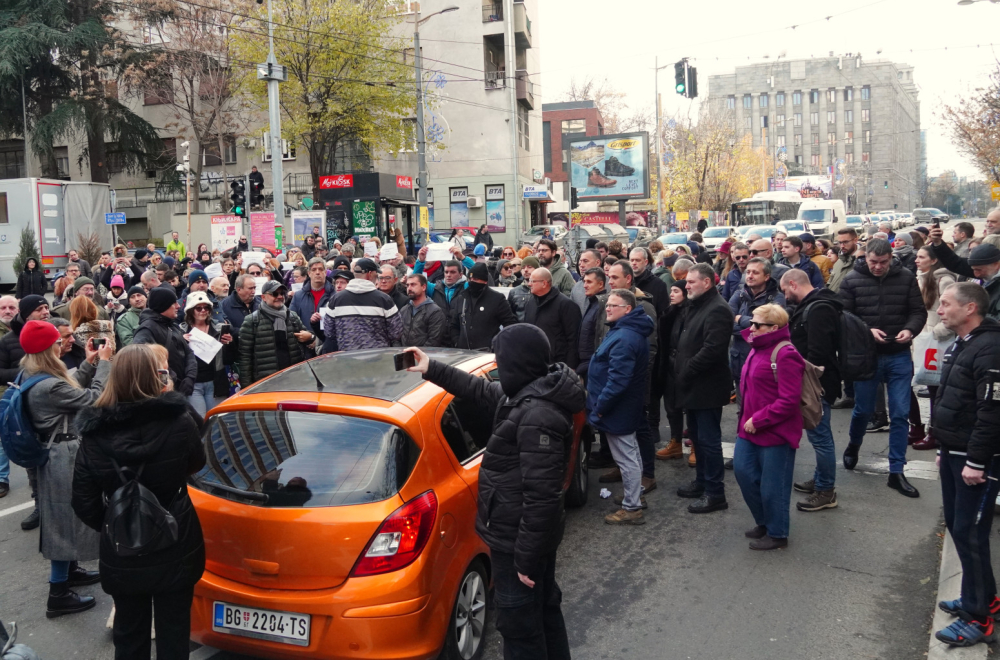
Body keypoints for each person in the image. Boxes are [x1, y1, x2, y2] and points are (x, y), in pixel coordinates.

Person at [405, 325, 585, 660]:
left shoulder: (537, 415)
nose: (500, 367)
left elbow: (542, 496)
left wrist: (525, 559)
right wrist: (432, 368)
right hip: (525, 537)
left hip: (517, 542)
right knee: (543, 612)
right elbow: (478, 390)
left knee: (519, 628)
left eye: (502, 359)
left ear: (517, 361)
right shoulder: (529, 394)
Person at [72, 343, 206, 658]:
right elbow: (196, 463)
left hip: (123, 548)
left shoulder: (94, 434)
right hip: (177, 536)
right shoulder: (179, 420)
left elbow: (83, 500)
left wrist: (116, 520)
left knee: (129, 637)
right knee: (175, 634)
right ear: (155, 376)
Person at [921, 283, 1000, 646]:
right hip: (955, 452)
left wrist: (977, 461)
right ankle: (984, 597)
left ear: (970, 308)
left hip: (975, 461)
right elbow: (953, 398)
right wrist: (943, 445)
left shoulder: (990, 348)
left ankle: (977, 617)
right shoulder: (963, 343)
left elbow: (991, 413)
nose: (940, 310)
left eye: (947, 304)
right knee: (959, 527)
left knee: (971, 534)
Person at [20, 319, 112, 617]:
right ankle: (57, 592)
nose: (64, 344)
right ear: (48, 349)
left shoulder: (34, 375)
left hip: (58, 451)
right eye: (58, 342)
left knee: (68, 514)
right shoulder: (49, 385)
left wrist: (87, 363)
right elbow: (92, 399)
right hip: (62, 456)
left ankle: (70, 570)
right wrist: (105, 365)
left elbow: (70, 390)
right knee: (62, 520)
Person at [839, 238, 927, 497]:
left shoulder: (906, 277)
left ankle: (896, 470)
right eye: (873, 262)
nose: (877, 267)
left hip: (898, 354)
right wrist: (867, 331)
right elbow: (843, 316)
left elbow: (917, 311)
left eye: (883, 262)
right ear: (865, 259)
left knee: (899, 414)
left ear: (891, 258)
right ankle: (854, 445)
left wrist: (910, 329)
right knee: (863, 410)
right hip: (867, 356)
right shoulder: (852, 279)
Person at [733, 303, 804, 551]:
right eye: (751, 322)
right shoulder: (756, 348)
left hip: (775, 431)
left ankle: (777, 532)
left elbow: (789, 400)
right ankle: (764, 522)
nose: (750, 327)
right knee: (743, 473)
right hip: (748, 428)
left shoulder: (786, 354)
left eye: (756, 324)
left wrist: (760, 420)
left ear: (774, 328)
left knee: (773, 486)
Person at [588, 289, 655, 524]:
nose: (607, 308)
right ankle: (634, 496)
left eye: (613, 306)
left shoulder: (625, 337)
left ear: (627, 309)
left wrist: (600, 407)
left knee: (626, 457)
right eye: (607, 305)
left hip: (618, 408)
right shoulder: (625, 331)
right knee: (631, 454)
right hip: (623, 407)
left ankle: (632, 508)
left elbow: (618, 381)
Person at [671, 263, 733, 514]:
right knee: (696, 438)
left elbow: (712, 350)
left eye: (691, 282)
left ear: (706, 283)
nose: (686, 286)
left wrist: (687, 370)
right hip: (692, 385)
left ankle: (715, 493)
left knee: (708, 441)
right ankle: (702, 482)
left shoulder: (717, 308)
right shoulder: (696, 305)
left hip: (706, 385)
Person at [782, 269, 842, 512]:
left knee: (821, 437)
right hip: (817, 382)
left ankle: (826, 490)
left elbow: (818, 353)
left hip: (817, 384)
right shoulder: (816, 305)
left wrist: (800, 377)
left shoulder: (818, 309)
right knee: (819, 436)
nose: (785, 296)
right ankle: (820, 479)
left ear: (793, 284)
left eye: (785, 290)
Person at [909, 245, 957, 451]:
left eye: (921, 256)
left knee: (935, 388)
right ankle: (918, 429)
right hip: (922, 340)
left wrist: (935, 333)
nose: (916, 260)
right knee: (922, 384)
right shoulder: (920, 278)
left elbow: (951, 312)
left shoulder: (944, 280)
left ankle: (934, 433)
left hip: (936, 341)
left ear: (934, 260)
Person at [728, 257, 785, 397]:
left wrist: (740, 319)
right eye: (748, 272)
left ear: (766, 276)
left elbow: (770, 327)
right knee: (742, 410)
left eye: (755, 272)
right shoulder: (739, 293)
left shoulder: (776, 298)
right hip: (739, 358)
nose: (750, 276)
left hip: (765, 361)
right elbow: (727, 321)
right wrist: (754, 326)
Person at [320, 258, 401, 353]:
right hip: (378, 358)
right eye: (376, 274)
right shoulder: (384, 299)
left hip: (347, 359)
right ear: (369, 274)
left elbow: (329, 332)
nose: (377, 277)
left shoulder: (335, 300)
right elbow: (396, 332)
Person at [132, 288, 198, 397]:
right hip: (164, 393)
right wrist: (174, 381)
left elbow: (189, 352)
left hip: (182, 390)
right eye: (174, 303)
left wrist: (190, 378)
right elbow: (145, 359)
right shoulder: (146, 329)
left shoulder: (172, 325)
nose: (178, 306)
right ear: (163, 305)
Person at [180, 291, 235, 416]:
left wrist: (229, 344)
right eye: (198, 308)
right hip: (194, 384)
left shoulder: (219, 328)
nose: (203, 311)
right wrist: (180, 342)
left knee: (216, 420)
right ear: (190, 311)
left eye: (206, 307)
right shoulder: (181, 330)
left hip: (215, 383)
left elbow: (230, 359)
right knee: (200, 421)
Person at [656, 281, 689, 461]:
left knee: (690, 408)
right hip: (670, 364)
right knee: (671, 407)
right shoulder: (671, 312)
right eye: (671, 291)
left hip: (685, 365)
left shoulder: (690, 313)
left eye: (676, 291)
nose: (671, 294)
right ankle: (675, 442)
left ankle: (695, 447)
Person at [451, 262, 518, 350]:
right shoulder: (462, 298)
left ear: (485, 281)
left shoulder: (497, 299)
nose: (472, 281)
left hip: (488, 353)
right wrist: (457, 342)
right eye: (470, 278)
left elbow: (510, 325)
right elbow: (453, 325)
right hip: (464, 352)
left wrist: (497, 344)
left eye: (475, 279)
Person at [524, 268, 581, 369]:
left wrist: (571, 366)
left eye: (532, 281)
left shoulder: (566, 305)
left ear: (544, 283)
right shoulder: (531, 302)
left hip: (557, 365)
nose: (529, 284)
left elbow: (573, 339)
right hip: (533, 362)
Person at [289, 258, 335, 344]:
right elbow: (292, 321)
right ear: (309, 273)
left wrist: (315, 340)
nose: (317, 272)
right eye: (314, 269)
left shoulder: (335, 296)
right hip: (304, 345)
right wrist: (307, 337)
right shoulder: (298, 296)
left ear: (325, 272)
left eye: (321, 269)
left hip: (327, 345)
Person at [400, 274, 448, 347]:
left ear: (423, 287)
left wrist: (417, 355)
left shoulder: (435, 312)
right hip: (405, 354)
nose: (409, 288)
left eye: (413, 285)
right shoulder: (404, 310)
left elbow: (434, 340)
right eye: (407, 285)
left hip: (424, 355)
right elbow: (398, 335)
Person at [576, 267, 607, 379]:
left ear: (600, 284)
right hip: (587, 365)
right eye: (584, 281)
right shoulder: (593, 303)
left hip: (594, 366)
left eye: (589, 282)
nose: (585, 285)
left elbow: (601, 337)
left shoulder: (602, 305)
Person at [508, 256, 538, 322]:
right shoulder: (514, 292)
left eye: (529, 267)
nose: (526, 270)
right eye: (523, 268)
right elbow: (510, 317)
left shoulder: (543, 290)